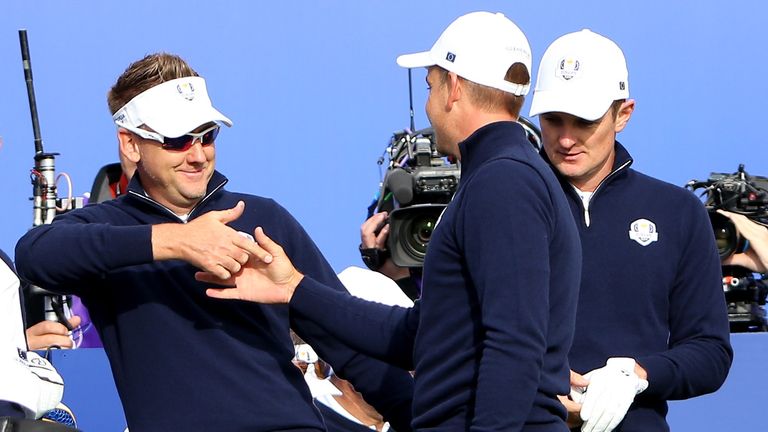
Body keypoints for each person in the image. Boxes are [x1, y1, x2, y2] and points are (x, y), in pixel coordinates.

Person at [197, 11, 582, 431]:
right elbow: (421, 335)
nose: (429, 105)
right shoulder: (505, 176)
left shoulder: (503, 181)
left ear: (454, 87)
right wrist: (295, 288)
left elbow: (515, 342)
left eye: (431, 86)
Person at [14, 53, 413, 432]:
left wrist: (425, 420)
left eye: (207, 136)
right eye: (177, 140)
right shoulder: (108, 228)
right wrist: (177, 241)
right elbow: (36, 254)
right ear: (131, 144)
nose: (198, 155)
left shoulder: (263, 218)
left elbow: (346, 346)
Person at [528, 29, 733, 431]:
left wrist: (637, 376)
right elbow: (452, 333)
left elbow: (710, 351)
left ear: (623, 114)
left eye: (584, 121)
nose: (566, 138)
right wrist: (534, 385)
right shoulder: (503, 204)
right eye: (553, 119)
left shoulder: (677, 212)